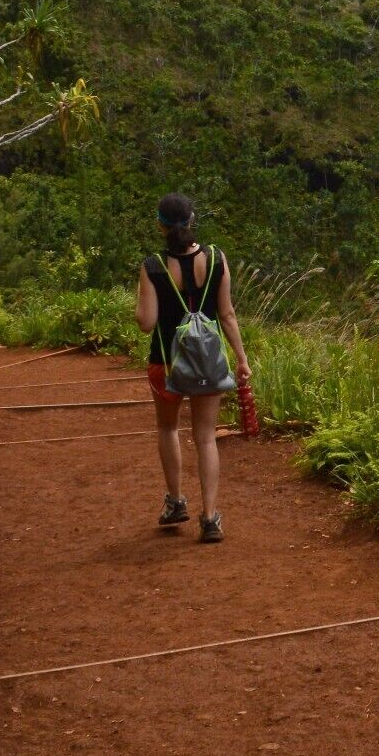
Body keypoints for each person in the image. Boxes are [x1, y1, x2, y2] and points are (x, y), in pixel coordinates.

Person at [134, 194, 251, 543]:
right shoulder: (216, 259)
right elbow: (227, 314)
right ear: (192, 220)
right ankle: (210, 518)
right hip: (208, 362)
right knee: (205, 437)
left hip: (166, 363)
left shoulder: (153, 266)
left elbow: (146, 323)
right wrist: (241, 359)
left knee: (168, 427)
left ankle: (176, 502)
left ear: (160, 225)